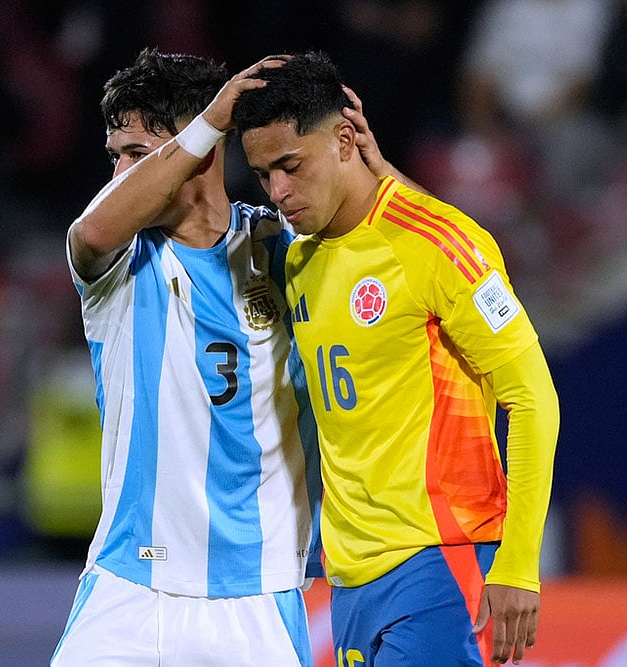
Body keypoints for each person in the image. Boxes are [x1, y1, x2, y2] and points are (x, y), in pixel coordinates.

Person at [51, 48, 406, 666]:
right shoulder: (121, 265)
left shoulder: (288, 253)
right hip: (129, 592)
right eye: (115, 158)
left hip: (259, 601)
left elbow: (416, 265)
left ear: (201, 153)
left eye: (137, 156)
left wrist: (383, 177)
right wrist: (212, 118)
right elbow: (90, 234)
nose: (119, 176)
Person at [232, 52, 560, 666]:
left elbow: (533, 397)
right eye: (262, 174)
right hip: (349, 575)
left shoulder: (442, 245)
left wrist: (519, 560)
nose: (278, 191)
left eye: (290, 165)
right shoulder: (300, 259)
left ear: (345, 138)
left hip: (441, 559)